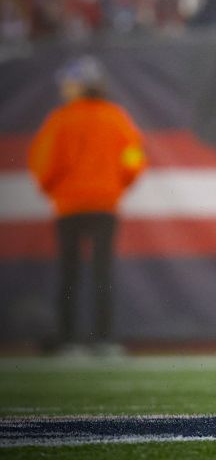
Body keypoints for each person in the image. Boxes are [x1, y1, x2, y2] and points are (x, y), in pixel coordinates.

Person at [27, 56, 147, 353]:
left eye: (69, 84)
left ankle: (68, 339)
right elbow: (134, 158)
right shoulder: (116, 117)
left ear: (82, 86)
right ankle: (103, 339)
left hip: (69, 206)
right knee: (102, 272)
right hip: (105, 205)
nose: (64, 89)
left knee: (70, 273)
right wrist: (117, 185)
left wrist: (55, 190)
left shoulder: (60, 120)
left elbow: (42, 162)